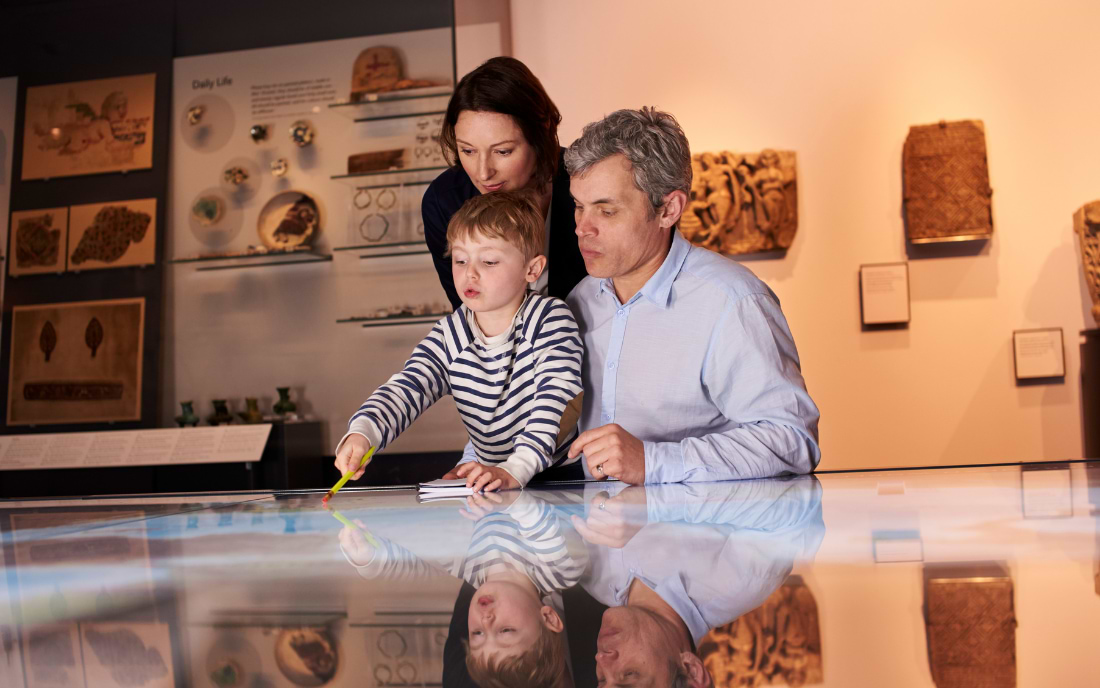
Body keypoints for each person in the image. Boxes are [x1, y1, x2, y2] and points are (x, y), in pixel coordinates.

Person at [564, 107, 821, 484]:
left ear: (669, 209)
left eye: (606, 210)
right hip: (592, 536)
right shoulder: (576, 303)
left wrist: (653, 462)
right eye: (579, 207)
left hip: (703, 537)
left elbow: (792, 439)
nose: (583, 229)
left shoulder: (733, 301)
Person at [335, 191, 584, 492]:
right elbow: (408, 387)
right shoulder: (450, 334)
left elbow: (558, 396)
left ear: (532, 269)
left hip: (561, 478)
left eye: (489, 261)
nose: (471, 273)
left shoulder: (549, 318)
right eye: (460, 259)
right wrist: (363, 432)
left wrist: (517, 468)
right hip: (492, 478)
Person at [570, 478, 825, 688]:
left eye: (601, 680)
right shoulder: (741, 579)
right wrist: (653, 502)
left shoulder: (588, 575)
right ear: (690, 669)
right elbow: (794, 491)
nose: (601, 659)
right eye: (629, 675)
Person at [337, 489, 586, 688]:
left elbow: (417, 559)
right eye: (505, 630)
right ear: (548, 617)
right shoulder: (562, 572)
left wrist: (369, 558)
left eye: (477, 634)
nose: (486, 621)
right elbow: (544, 524)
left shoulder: (470, 569)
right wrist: (509, 497)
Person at [423, 56, 587, 310]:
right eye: (468, 151)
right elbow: (469, 310)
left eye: (503, 152)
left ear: (541, 132)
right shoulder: (444, 201)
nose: (483, 173)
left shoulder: (584, 182)